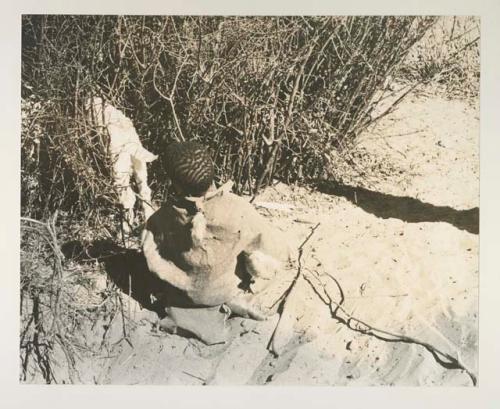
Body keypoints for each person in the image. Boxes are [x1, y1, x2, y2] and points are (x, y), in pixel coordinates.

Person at [141, 141, 292, 342]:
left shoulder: (162, 218)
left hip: (187, 294)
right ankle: (235, 298)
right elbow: (270, 246)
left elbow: (151, 255)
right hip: (225, 286)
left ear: (175, 184)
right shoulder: (236, 208)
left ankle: (195, 307)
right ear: (212, 174)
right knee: (261, 252)